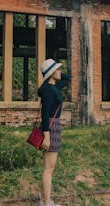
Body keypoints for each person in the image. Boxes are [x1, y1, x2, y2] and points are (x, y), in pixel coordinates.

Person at [37, 58, 71, 206]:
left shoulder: (52, 87)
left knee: (49, 168)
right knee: (48, 169)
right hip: (51, 129)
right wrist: (46, 136)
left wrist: (54, 72)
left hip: (53, 127)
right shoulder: (49, 91)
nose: (60, 72)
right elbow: (45, 114)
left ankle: (46, 200)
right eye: (57, 70)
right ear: (51, 74)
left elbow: (68, 78)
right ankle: (46, 203)